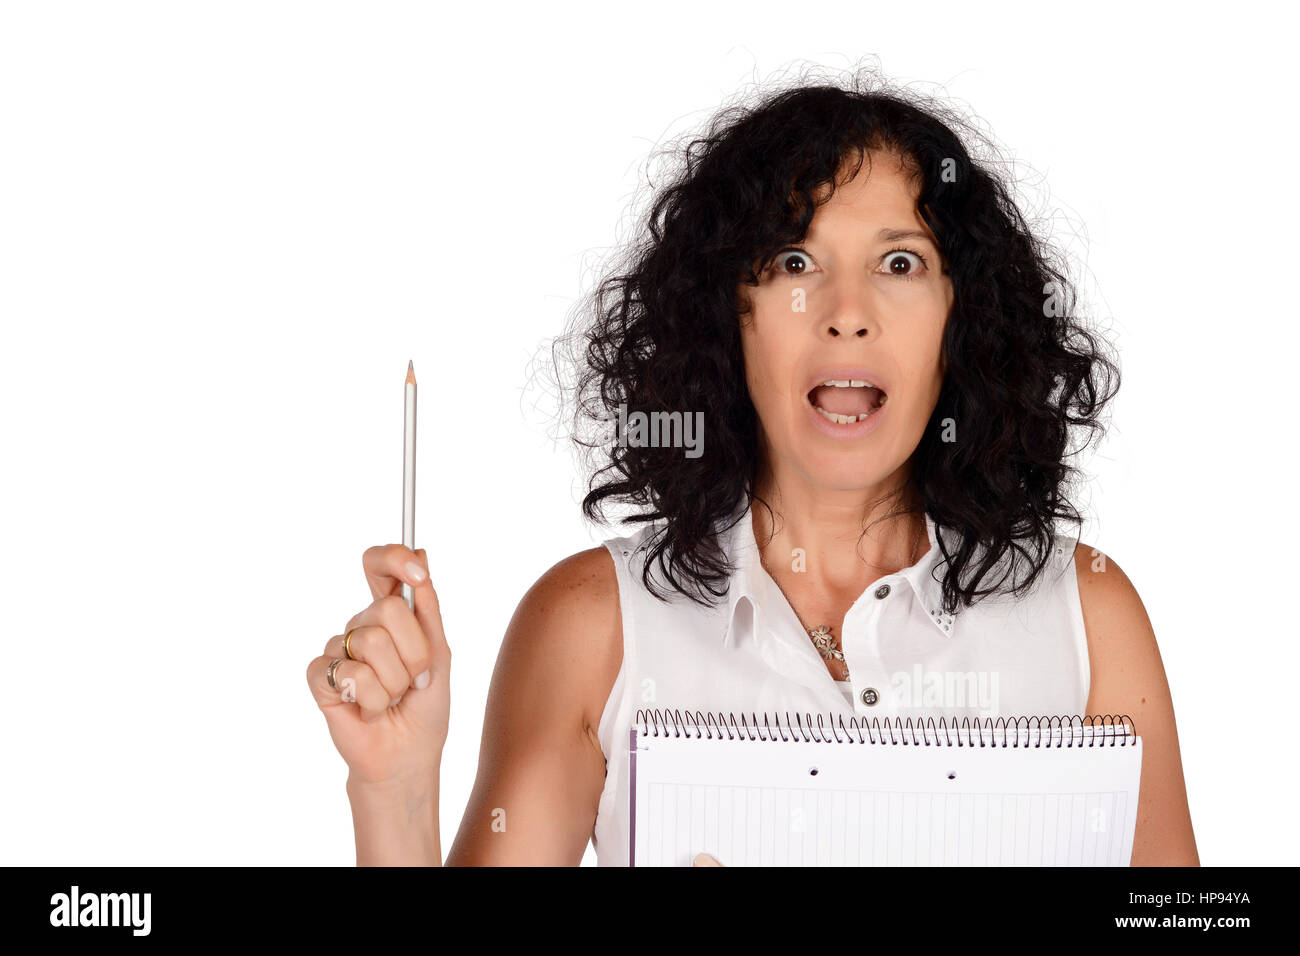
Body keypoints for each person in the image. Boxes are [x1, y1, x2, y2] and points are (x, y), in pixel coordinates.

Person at [306, 72, 1198, 866]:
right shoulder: (589, 627)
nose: (847, 313)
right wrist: (396, 787)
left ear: (958, 324)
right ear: (728, 318)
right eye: (794, 262)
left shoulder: (1089, 613)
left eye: (900, 263)